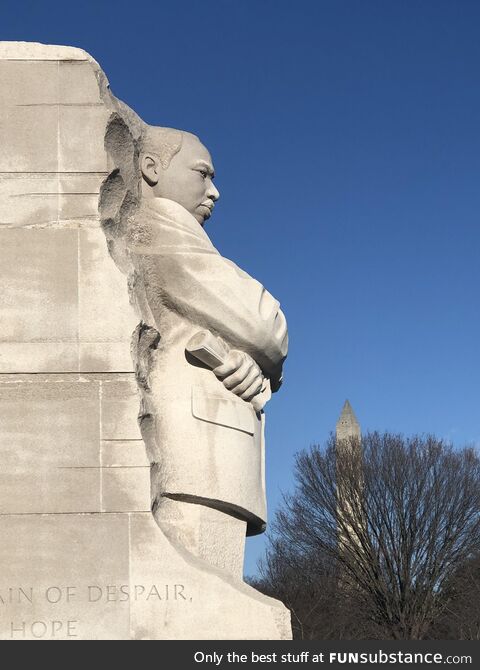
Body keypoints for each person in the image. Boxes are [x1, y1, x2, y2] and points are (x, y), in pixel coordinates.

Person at [125, 125, 288, 578]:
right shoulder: (158, 232)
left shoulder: (181, 238)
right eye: (202, 174)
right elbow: (265, 325)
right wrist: (260, 349)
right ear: (151, 168)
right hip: (195, 450)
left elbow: (253, 341)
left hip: (210, 443)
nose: (214, 192)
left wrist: (252, 365)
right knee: (195, 602)